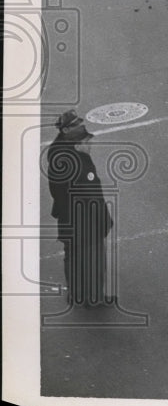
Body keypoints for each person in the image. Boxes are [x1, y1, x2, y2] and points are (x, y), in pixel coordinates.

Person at [47, 110, 113, 307]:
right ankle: (94, 298)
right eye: (86, 142)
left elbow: (56, 189)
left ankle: (75, 293)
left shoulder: (56, 151)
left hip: (67, 219)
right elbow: (94, 198)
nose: (90, 145)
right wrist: (104, 221)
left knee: (73, 257)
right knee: (94, 260)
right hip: (86, 222)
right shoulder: (83, 164)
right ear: (78, 145)